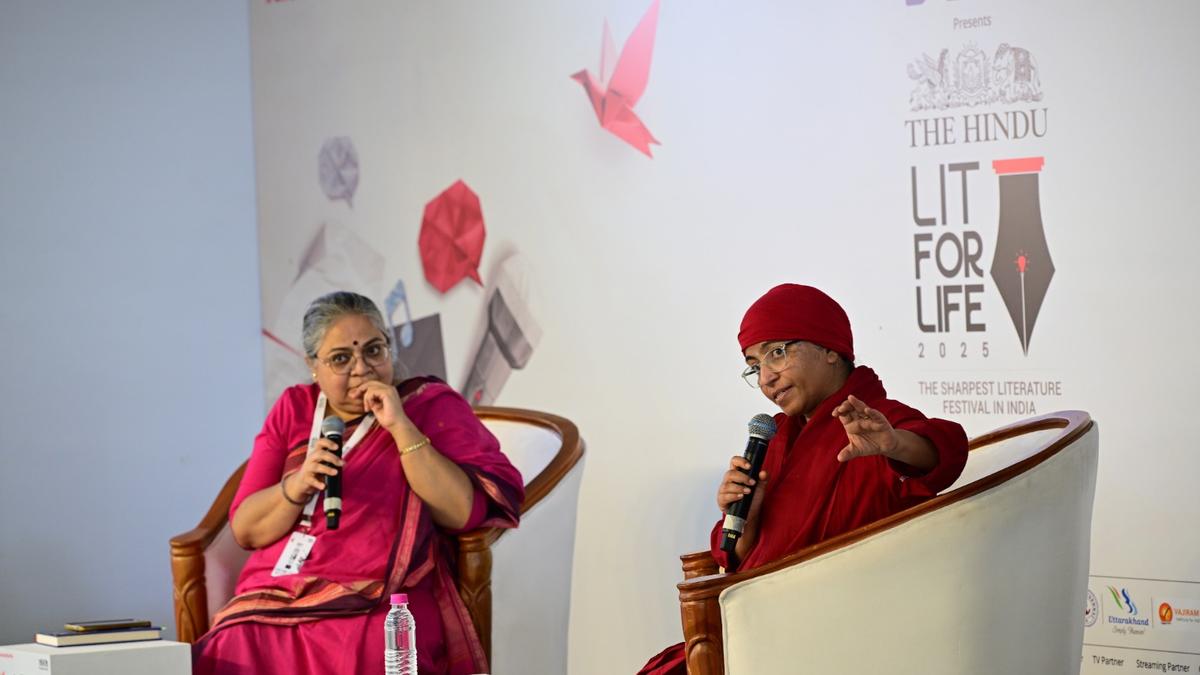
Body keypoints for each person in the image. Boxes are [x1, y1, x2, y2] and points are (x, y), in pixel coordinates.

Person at [639, 284, 968, 674]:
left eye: (777, 353)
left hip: (834, 631)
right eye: (754, 365)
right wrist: (746, 517)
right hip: (760, 625)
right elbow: (739, 557)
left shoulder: (875, 420)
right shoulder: (775, 436)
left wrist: (895, 444)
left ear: (830, 349)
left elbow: (941, 454)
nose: (766, 378)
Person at [194, 291, 523, 675]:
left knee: (369, 649)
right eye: (341, 358)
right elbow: (246, 530)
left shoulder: (429, 405)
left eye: (373, 351)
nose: (362, 368)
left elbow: (463, 512)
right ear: (312, 365)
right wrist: (296, 486)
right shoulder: (294, 408)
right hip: (279, 594)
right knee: (233, 644)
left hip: (382, 597)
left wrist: (400, 426)